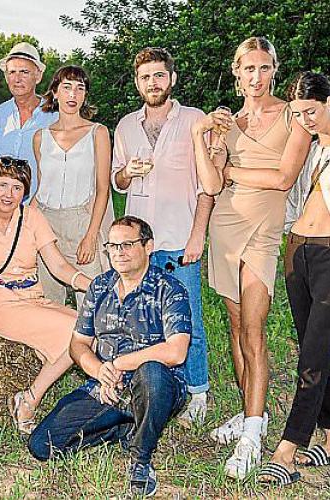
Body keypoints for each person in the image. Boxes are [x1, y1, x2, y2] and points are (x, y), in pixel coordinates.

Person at [191, 36, 311, 478]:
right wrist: (202, 136)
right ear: (237, 73)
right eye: (248, 69)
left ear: (274, 70)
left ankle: (253, 438)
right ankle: (247, 413)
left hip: (263, 231)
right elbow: (211, 184)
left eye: (264, 67)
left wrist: (231, 170)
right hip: (225, 226)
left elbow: (283, 178)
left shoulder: (293, 116)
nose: (256, 77)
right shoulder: (228, 123)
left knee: (255, 331)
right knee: (237, 325)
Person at [227, 72, 330, 486]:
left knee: (311, 359)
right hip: (298, 251)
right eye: (297, 114)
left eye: (311, 111)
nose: (305, 120)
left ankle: (288, 450)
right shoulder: (308, 147)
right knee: (315, 347)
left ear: (329, 102)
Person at [28, 216, 191, 498]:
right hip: (107, 386)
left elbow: (176, 351)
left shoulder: (169, 288)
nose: (119, 252)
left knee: (151, 373)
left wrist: (117, 364)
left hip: (157, 387)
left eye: (127, 245)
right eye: (113, 246)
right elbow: (78, 344)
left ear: (148, 246)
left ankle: (141, 460)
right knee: (42, 445)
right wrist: (99, 370)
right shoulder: (100, 287)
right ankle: (125, 427)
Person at [112, 47, 212, 426]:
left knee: (188, 321)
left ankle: (198, 393)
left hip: (179, 238)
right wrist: (128, 173)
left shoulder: (194, 120)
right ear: (137, 83)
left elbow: (206, 187)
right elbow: (117, 180)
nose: (152, 83)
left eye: (158, 75)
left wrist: (197, 236)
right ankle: (154, 390)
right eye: (145, 77)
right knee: (144, 321)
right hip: (139, 245)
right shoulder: (125, 126)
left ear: (171, 78)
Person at [0, 157, 92, 434]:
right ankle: (29, 401)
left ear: (25, 193)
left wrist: (92, 285)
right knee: (75, 332)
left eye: (17, 188)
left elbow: (58, 265)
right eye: (3, 185)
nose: (8, 194)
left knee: (87, 327)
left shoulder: (32, 217)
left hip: (34, 298)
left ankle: (31, 395)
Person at [33, 65, 114, 307]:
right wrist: (26, 225)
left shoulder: (97, 133)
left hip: (80, 221)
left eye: (80, 88)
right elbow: (42, 187)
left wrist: (91, 235)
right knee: (49, 301)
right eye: (66, 87)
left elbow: (103, 189)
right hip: (45, 222)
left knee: (93, 300)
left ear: (85, 95)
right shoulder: (40, 137)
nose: (73, 94)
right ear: (55, 92)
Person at [0, 42, 57, 204]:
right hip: (4, 208)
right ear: (6, 77)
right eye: (12, 72)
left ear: (38, 76)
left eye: (24, 72)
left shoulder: (55, 116)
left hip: (45, 207)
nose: (17, 79)